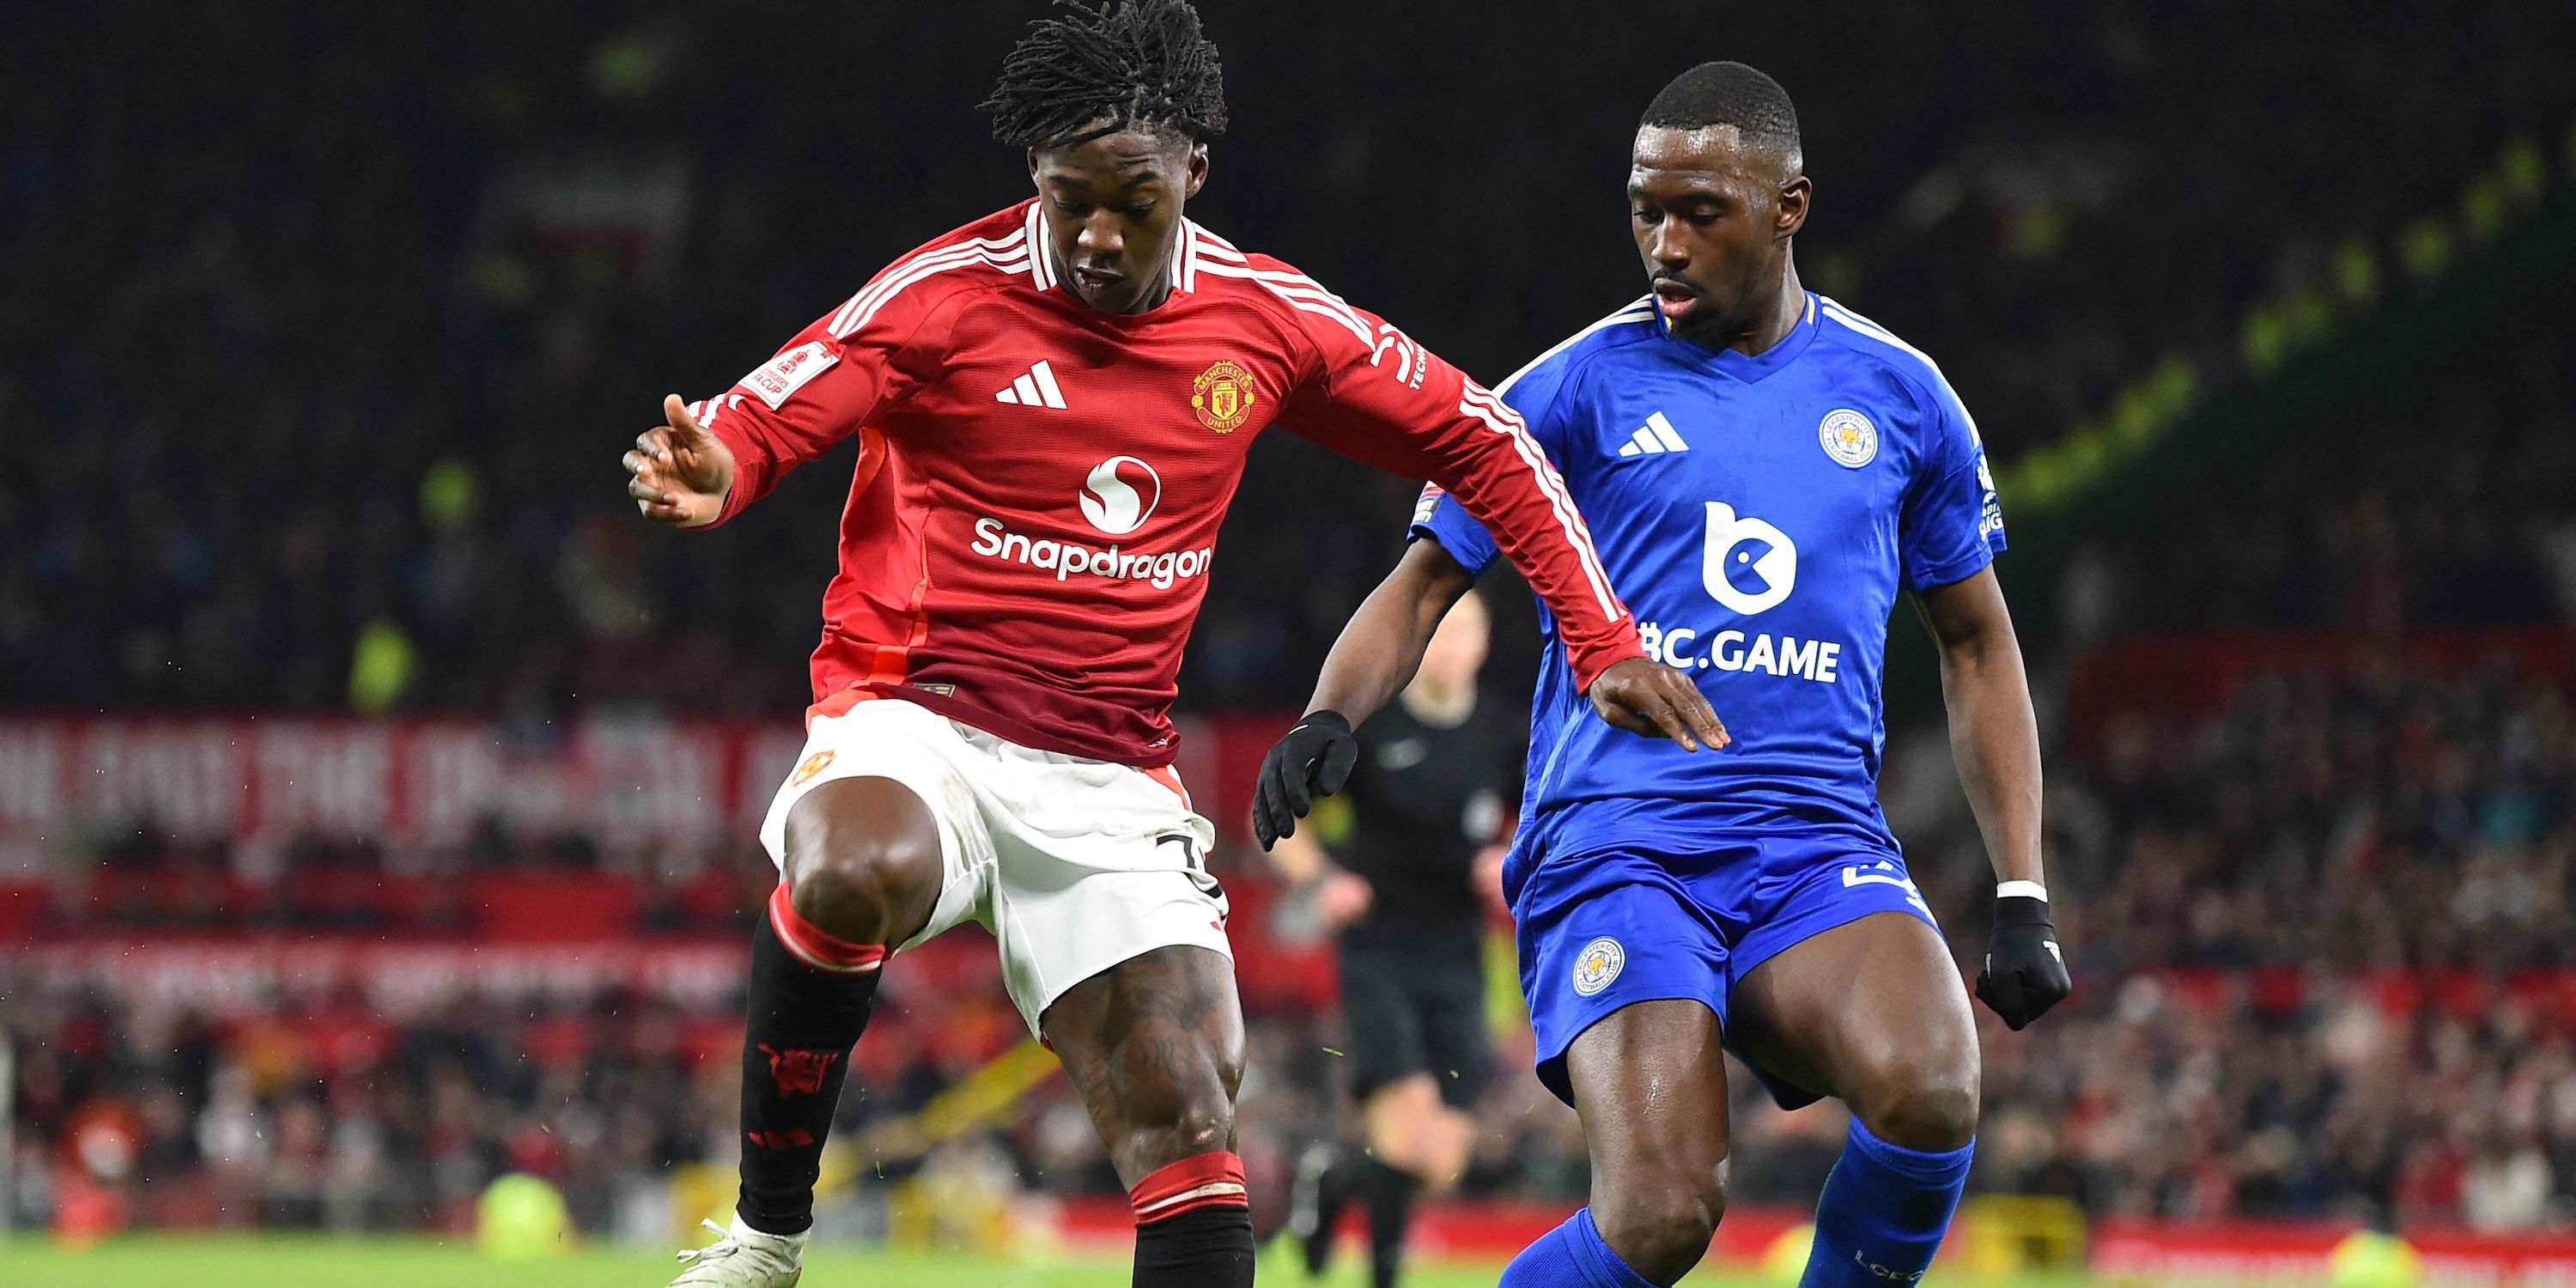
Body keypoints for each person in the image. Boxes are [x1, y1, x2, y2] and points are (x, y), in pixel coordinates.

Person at [621, 4, 1723, 1285]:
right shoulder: (946, 298)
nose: (1092, 234)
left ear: (1191, 175)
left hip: (1107, 774)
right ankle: (768, 1238)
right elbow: (774, 407)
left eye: (1129, 202)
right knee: (856, 858)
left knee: (1193, 1121)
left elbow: (1483, 438)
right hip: (918, 719)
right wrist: (724, 465)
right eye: (1063, 199)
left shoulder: (1264, 321)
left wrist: (1598, 637)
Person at [1253, 62, 2072, 1288]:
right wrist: (1330, 715)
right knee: (1662, 1214)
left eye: (1701, 212)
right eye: (1646, 210)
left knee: (1934, 1091)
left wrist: (2020, 888)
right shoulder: (1570, 390)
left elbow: (1977, 642)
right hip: (1620, 849)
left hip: (1814, 848)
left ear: (1790, 206)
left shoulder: (1902, 398)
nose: (1664, 244)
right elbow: (1424, 582)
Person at [1264, 590, 1520, 1287]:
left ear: (1483, 645)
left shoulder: (1503, 733)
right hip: (1378, 950)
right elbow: (1282, 816)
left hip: (1462, 955)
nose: (1449, 645)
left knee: (1441, 1158)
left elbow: (1540, 827)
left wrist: (1509, 858)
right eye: (1438, 632)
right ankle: (1384, 1273)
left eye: (1464, 631)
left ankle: (1332, 1182)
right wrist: (1322, 882)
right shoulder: (1372, 730)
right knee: (1405, 1135)